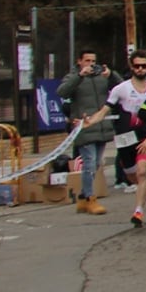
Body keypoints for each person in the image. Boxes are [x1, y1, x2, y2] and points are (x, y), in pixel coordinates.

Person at [76, 52, 146, 228]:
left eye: (144, 66)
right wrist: (89, 122)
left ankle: (138, 211)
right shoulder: (120, 89)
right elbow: (104, 111)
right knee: (132, 175)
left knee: (142, 172)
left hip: (145, 137)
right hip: (124, 139)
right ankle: (140, 191)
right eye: (137, 66)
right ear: (131, 66)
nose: (140, 69)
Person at [58, 50, 116, 215]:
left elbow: (120, 87)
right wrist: (79, 76)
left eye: (93, 61)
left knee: (96, 163)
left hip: (101, 125)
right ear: (80, 61)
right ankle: (90, 198)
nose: (90, 64)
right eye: (87, 60)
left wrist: (111, 75)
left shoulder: (100, 77)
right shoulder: (73, 77)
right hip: (84, 126)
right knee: (89, 162)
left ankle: (83, 198)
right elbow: (62, 92)